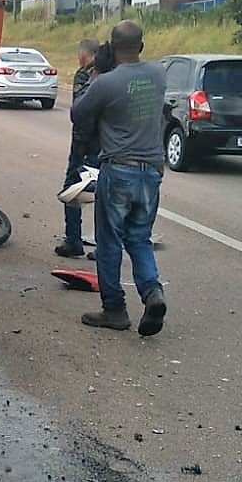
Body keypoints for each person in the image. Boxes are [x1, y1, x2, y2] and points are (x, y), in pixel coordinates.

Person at [70, 20, 168, 336]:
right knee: (139, 237)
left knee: (110, 241)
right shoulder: (158, 75)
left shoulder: (105, 84)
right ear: (141, 45)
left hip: (119, 170)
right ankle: (152, 292)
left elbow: (77, 113)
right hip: (151, 171)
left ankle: (114, 309)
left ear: (111, 47)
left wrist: (94, 75)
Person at [55, 38, 100, 258]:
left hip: (87, 148)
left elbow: (81, 115)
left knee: (72, 191)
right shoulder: (111, 75)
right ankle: (103, 245)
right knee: (104, 196)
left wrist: (79, 153)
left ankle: (73, 240)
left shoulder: (85, 76)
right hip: (109, 147)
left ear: (84, 54)